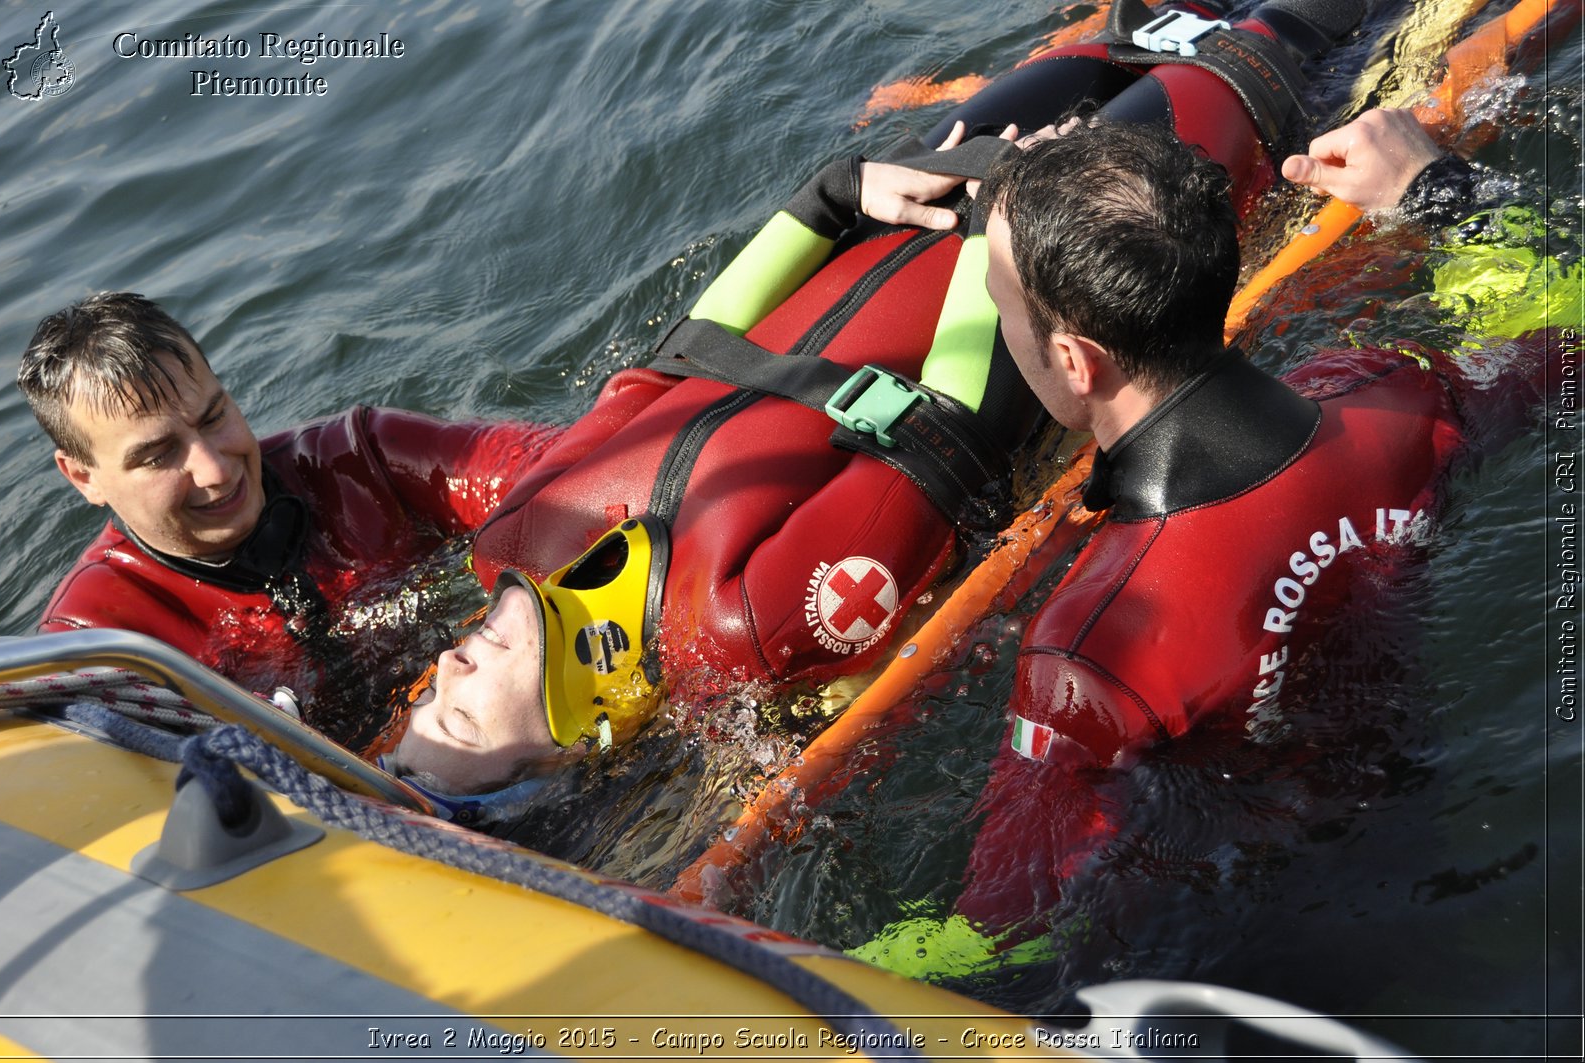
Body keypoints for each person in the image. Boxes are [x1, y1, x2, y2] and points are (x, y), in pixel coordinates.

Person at [385, 0, 1368, 812]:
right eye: (462, 723)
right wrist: (1004, 217)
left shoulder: (521, 530)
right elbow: (947, 430)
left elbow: (671, 363)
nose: (453, 674)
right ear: (566, 753)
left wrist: (828, 200)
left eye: (431, 698)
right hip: (1039, 255)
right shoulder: (747, 628)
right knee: (1245, 57)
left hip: (919, 200)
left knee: (1118, 36)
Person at [849, 104, 1573, 967]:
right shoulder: (1384, 396)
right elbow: (1557, 336)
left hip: (1267, 942)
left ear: (1076, 361)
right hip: (1432, 827)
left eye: (1005, 308)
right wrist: (1434, 188)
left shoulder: (1089, 651)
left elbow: (998, 938)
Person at [17, 294, 560, 745]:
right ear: (83, 476)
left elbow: (553, 468)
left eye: (215, 416)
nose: (215, 469)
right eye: (158, 454)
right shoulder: (97, 641)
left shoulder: (361, 460)